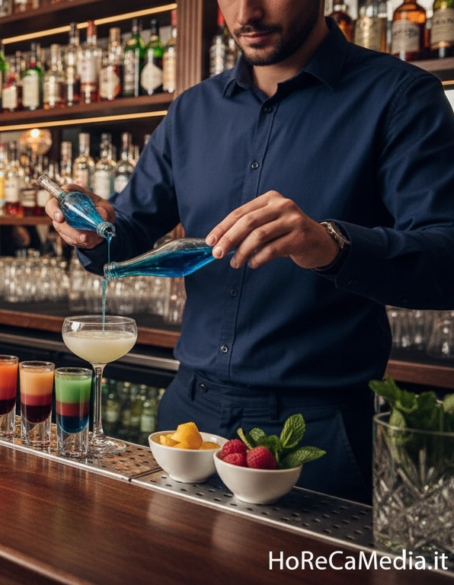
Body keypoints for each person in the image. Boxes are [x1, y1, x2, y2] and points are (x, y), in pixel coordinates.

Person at [46, 1, 454, 502]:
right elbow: (125, 234)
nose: (246, 13)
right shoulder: (192, 110)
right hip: (187, 415)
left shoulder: (399, 95)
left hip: (316, 430)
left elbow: (446, 258)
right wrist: (92, 231)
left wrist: (332, 245)